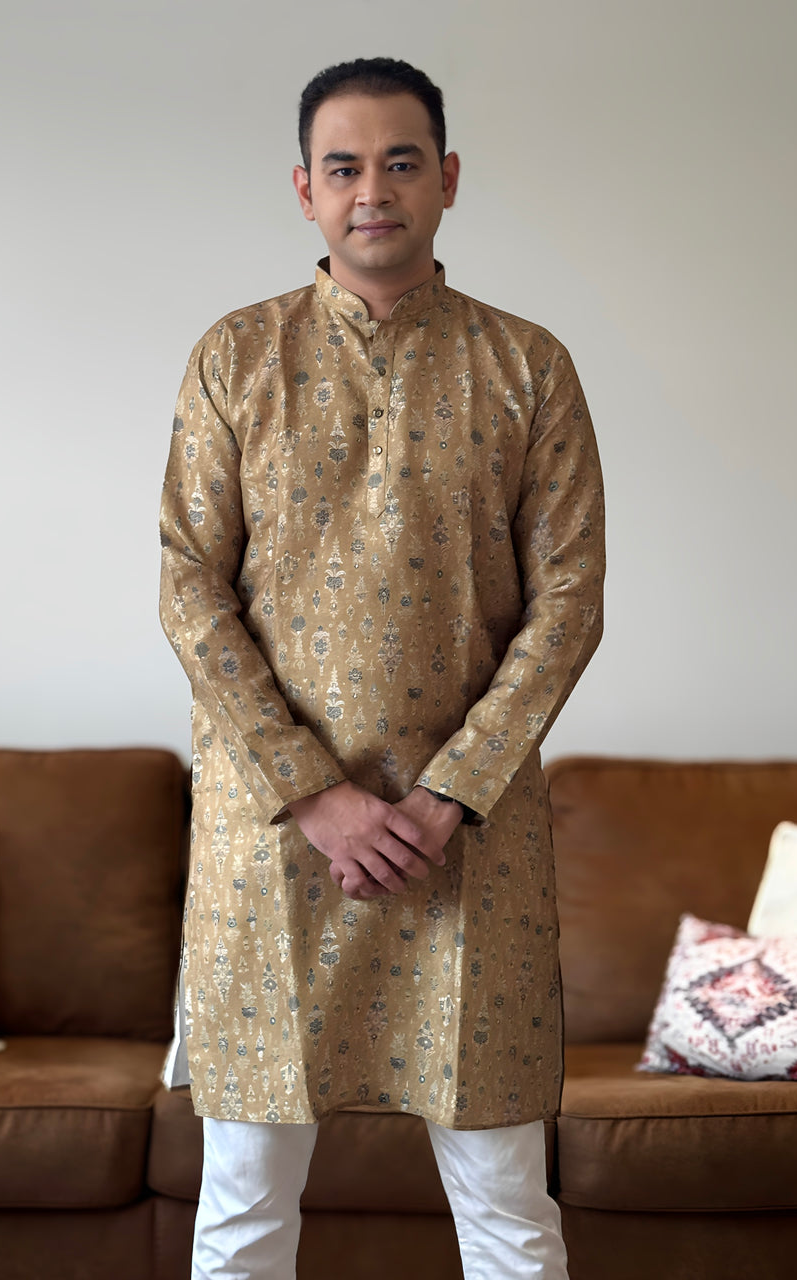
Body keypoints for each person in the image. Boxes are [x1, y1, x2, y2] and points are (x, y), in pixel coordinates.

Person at [159, 56, 604, 1280]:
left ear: (447, 180)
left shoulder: (528, 366)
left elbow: (567, 604)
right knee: (244, 1206)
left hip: (471, 836)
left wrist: (443, 794)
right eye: (344, 167)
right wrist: (316, 792)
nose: (373, 191)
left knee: (509, 1209)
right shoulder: (234, 358)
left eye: (400, 162)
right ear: (304, 189)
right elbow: (190, 590)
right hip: (274, 837)